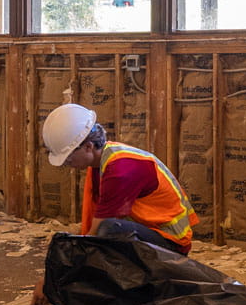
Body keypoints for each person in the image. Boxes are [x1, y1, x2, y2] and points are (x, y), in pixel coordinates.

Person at [40, 102, 196, 255]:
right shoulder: (103, 162)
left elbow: (99, 230)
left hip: (171, 244)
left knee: (109, 229)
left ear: (88, 147)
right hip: (151, 231)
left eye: (68, 157)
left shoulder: (120, 170)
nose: (67, 163)